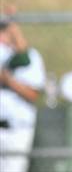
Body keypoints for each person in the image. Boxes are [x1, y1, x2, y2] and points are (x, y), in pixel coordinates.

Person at [0, 11, 46, 172]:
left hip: (16, 130)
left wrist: (10, 82)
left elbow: (33, 93)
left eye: (5, 30)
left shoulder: (30, 57)